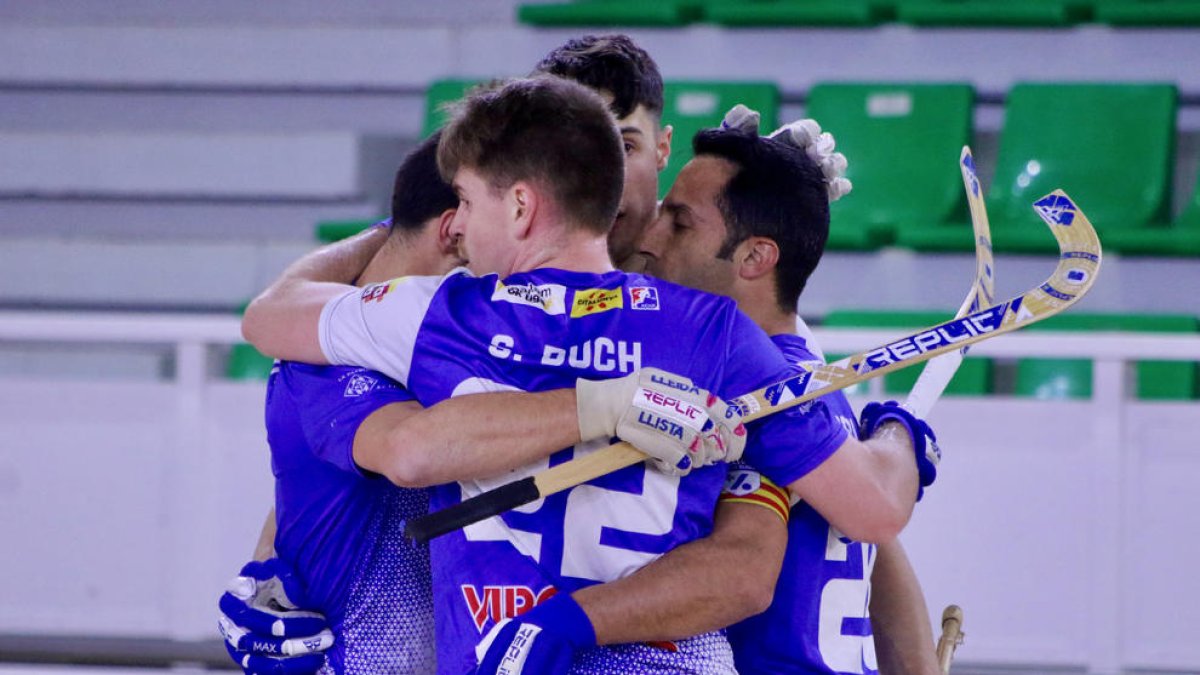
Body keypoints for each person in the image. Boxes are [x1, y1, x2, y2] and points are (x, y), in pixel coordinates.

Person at [241, 76, 930, 673]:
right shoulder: (718, 334)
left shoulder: (438, 313)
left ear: (519, 206)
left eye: (469, 203)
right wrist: (900, 431)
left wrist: (396, 226)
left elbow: (270, 317)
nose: (458, 228)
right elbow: (871, 506)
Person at [220, 131, 740, 674]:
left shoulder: (481, 344)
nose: (527, 283)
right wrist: (607, 406)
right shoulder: (336, 360)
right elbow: (406, 450)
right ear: (456, 231)